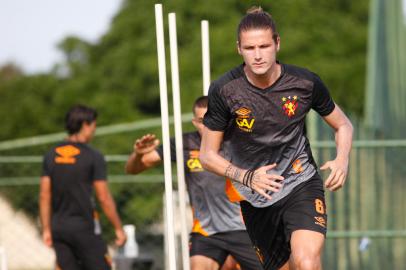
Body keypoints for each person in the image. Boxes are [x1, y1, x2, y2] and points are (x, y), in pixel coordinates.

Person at [200, 6, 353, 270]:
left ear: (277, 44)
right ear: (239, 48)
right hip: (256, 197)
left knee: (306, 261)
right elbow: (207, 156)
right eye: (250, 48)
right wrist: (247, 177)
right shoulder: (224, 90)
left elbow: (343, 125)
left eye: (264, 46)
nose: (258, 56)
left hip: (300, 182)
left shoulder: (304, 83)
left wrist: (342, 159)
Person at [125, 96, 262, 270]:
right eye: (201, 121)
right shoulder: (184, 144)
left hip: (244, 227)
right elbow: (133, 169)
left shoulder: (237, 141)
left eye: (212, 119)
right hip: (206, 230)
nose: (207, 125)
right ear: (194, 122)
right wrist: (137, 154)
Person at [39, 104, 126, 270]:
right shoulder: (93, 156)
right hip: (85, 228)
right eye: (94, 125)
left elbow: (44, 195)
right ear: (85, 125)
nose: (94, 130)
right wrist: (118, 228)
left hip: (59, 228)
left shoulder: (50, 155)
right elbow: (103, 197)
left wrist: (46, 229)